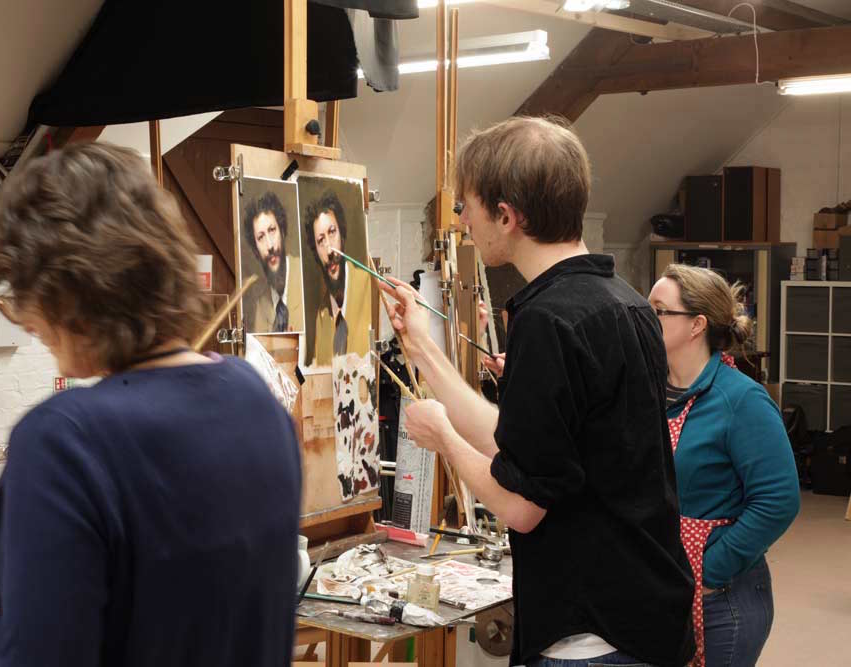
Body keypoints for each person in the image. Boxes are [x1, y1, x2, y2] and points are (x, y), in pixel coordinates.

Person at [0, 143, 302, 667]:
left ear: (69, 288)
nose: (24, 318)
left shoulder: (63, 442)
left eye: (25, 292)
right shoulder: (256, 400)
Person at [381, 116, 695, 667]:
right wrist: (423, 348)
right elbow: (519, 444)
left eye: (467, 206)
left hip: (592, 638)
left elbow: (521, 507)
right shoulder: (623, 301)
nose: (463, 220)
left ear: (507, 216)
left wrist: (444, 437)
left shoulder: (548, 321)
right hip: (643, 614)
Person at [649, 264, 800, 667]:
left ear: (696, 325)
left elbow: (779, 501)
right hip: (665, 583)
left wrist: (710, 572)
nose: (646, 319)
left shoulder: (741, 400)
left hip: (722, 600)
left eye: (658, 311)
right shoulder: (651, 389)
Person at [303, 191, 370, 366]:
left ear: (342, 233)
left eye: (332, 232)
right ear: (316, 254)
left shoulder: (368, 285)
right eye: (320, 241)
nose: (329, 250)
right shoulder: (321, 317)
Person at [241, 190, 304, 333]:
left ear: (282, 232)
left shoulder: (304, 275)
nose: (269, 246)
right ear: (256, 251)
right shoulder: (260, 305)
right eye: (261, 237)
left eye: (272, 230)